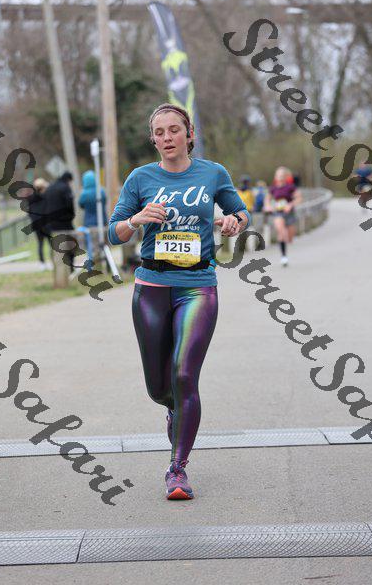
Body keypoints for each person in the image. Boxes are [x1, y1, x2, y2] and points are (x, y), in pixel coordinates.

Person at [108, 103, 250, 501]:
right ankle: (173, 408)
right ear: (153, 140)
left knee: (185, 376)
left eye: (174, 130)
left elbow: (241, 213)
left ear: (190, 135)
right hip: (151, 288)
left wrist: (234, 222)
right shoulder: (140, 178)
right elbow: (113, 233)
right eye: (159, 132)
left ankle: (177, 468)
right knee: (159, 388)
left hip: (197, 285)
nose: (167, 137)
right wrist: (136, 220)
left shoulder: (212, 173)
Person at [264, 166, 302, 267]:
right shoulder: (273, 188)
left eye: (282, 175)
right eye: (278, 175)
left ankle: (286, 240)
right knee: (281, 232)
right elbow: (267, 199)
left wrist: (290, 205)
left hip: (289, 213)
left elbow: (299, 198)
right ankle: (284, 256)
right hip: (278, 212)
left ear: (285, 177)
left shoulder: (290, 187)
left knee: (290, 238)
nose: (280, 177)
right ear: (275, 177)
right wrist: (268, 206)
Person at [44, 171, 76, 271]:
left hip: (51, 223)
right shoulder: (65, 188)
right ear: (68, 180)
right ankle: (70, 267)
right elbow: (69, 204)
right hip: (65, 223)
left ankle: (58, 268)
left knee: (56, 246)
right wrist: (71, 216)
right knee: (70, 245)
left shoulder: (49, 188)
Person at [25, 177, 51, 270]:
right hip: (46, 223)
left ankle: (42, 263)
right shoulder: (46, 197)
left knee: (40, 243)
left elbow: (29, 212)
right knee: (50, 244)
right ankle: (52, 262)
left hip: (36, 224)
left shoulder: (30, 198)